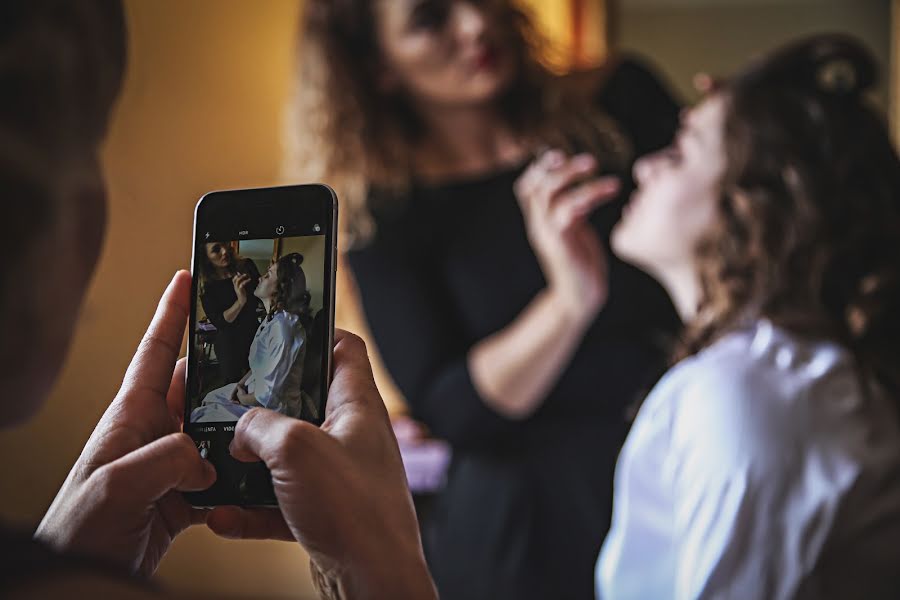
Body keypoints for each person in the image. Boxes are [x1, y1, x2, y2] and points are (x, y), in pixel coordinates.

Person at [1, 2, 434, 598]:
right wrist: (384, 566)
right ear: (82, 224)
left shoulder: (283, 326)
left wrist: (66, 555)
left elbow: (268, 379)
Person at [289, 2, 682, 597]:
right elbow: (452, 409)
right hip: (524, 526)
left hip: (678, 458)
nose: (475, 24)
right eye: (429, 19)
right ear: (377, 67)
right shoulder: (384, 215)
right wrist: (571, 300)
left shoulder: (621, 102)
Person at [594, 35, 900, 598]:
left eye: (681, 152)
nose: (645, 167)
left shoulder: (753, 398)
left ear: (755, 205)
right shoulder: (764, 379)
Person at [192, 252, 319, 422]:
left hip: (272, 409)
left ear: (282, 287)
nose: (260, 278)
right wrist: (240, 384)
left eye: (268, 275)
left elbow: (270, 394)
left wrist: (243, 398)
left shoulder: (283, 329)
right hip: (254, 387)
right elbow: (259, 367)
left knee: (199, 416)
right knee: (210, 397)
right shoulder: (272, 319)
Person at [197, 241, 262, 384]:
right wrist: (240, 301)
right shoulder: (207, 287)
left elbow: (262, 293)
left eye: (225, 244)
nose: (224, 251)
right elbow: (220, 322)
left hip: (255, 333)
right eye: (216, 249)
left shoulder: (246, 266)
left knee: (261, 380)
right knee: (234, 387)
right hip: (229, 344)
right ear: (206, 257)